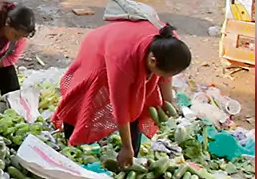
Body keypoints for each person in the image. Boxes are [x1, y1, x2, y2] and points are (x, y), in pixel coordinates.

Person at [51, 21, 191, 169]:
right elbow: (120, 106)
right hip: (99, 50)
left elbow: (166, 76)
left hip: (125, 43)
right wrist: (126, 147)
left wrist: (169, 101)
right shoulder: (122, 61)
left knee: (137, 104)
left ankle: (132, 151)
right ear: (152, 61)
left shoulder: (170, 43)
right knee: (85, 97)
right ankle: (73, 138)